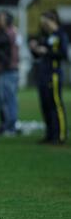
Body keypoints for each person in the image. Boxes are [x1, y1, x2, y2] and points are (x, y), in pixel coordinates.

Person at [29, 9, 69, 145]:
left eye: (45, 21)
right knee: (45, 104)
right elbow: (38, 55)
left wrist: (47, 51)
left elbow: (63, 54)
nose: (43, 24)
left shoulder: (60, 35)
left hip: (54, 74)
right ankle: (50, 134)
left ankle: (61, 135)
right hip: (44, 73)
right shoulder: (47, 36)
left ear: (52, 20)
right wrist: (34, 49)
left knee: (56, 104)